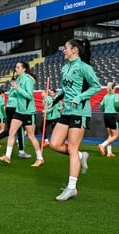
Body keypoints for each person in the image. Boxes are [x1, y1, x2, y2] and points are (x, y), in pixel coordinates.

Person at [49, 39, 100, 201]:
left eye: (66, 48)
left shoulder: (85, 67)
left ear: (74, 50)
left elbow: (96, 86)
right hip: (66, 111)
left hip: (80, 112)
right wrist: (53, 102)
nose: (63, 51)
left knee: (71, 148)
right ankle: (80, 155)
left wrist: (79, 97)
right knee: (54, 144)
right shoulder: (65, 68)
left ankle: (72, 187)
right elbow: (64, 89)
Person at [0, 62, 44, 167]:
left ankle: (40, 158)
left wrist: (18, 88)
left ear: (24, 69)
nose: (15, 69)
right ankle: (7, 157)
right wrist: (13, 89)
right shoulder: (18, 80)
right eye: (16, 67)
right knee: (11, 132)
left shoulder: (28, 80)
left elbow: (29, 96)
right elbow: (14, 94)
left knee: (31, 136)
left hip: (28, 112)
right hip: (18, 111)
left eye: (18, 67)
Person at [0, 75, 31, 159]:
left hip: (9, 108)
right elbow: (24, 96)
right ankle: (21, 151)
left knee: (9, 130)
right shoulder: (16, 88)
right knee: (20, 130)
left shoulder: (10, 89)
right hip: (15, 109)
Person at [97, 82, 119, 157]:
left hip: (106, 115)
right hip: (113, 116)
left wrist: (107, 109)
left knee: (110, 135)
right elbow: (116, 105)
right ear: (113, 87)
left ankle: (109, 152)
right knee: (115, 135)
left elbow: (101, 107)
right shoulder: (116, 95)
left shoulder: (105, 96)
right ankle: (102, 145)